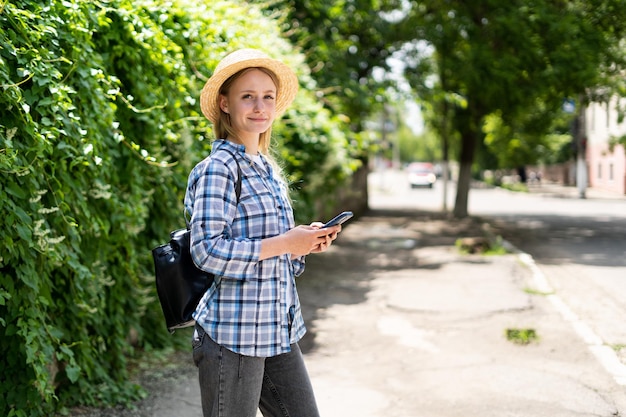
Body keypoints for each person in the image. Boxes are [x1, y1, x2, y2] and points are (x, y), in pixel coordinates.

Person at [184, 48, 341, 417]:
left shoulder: (268, 170)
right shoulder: (217, 168)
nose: (260, 106)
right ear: (225, 104)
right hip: (232, 335)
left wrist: (303, 244)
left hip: (276, 330)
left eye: (267, 97)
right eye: (247, 96)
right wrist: (286, 242)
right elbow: (206, 251)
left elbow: (277, 255)